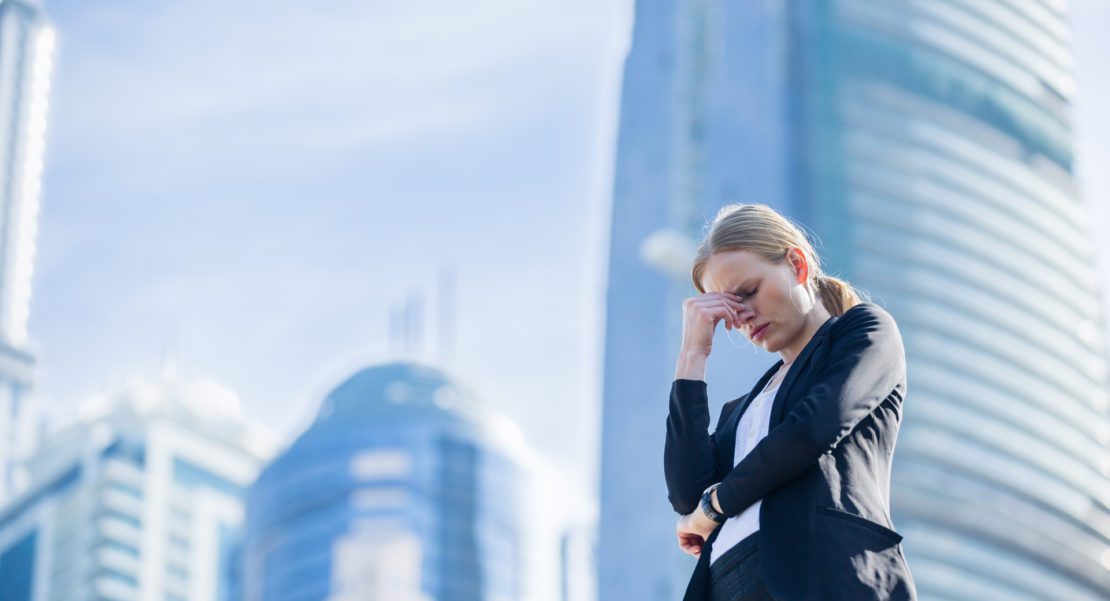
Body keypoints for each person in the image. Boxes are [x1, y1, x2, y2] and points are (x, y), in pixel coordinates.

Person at [664, 203, 917, 601]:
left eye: (747, 293)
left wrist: (715, 506)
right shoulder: (743, 410)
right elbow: (684, 494)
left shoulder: (864, 331)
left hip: (823, 576)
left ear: (797, 264)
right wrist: (692, 355)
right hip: (726, 585)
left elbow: (814, 427)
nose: (741, 317)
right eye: (729, 309)